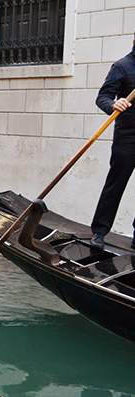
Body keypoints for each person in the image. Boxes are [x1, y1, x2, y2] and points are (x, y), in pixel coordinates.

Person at [90, 30, 135, 249]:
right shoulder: (122, 67)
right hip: (127, 137)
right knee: (116, 183)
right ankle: (99, 231)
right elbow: (103, 97)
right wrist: (113, 105)